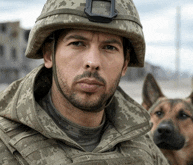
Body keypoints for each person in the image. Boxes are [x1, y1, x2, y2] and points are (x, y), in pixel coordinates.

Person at [0, 0, 169, 164]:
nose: (93, 62)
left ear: (125, 64)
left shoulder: (143, 143)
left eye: (109, 47)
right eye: (78, 43)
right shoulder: (4, 141)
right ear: (49, 55)